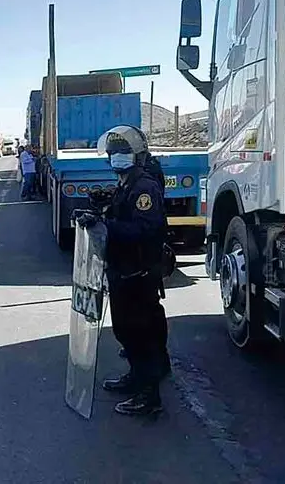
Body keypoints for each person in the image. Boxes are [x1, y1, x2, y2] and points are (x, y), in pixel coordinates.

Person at [75, 125, 170, 416]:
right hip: (126, 269)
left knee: (136, 333)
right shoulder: (128, 183)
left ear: (137, 155)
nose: (116, 158)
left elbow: (145, 228)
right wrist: (102, 209)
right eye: (113, 153)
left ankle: (148, 395)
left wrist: (104, 226)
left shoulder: (143, 186)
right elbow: (123, 214)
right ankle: (138, 378)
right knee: (132, 331)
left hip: (137, 272)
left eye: (122, 153)